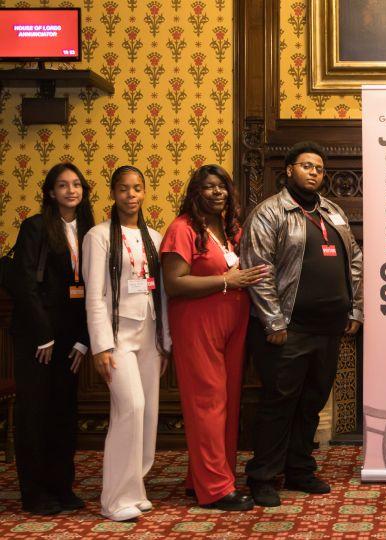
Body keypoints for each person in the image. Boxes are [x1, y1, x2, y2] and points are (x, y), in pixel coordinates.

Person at [241, 141, 363, 507]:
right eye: (306, 166)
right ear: (289, 170)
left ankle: (299, 470)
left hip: (328, 329)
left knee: (311, 403)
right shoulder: (269, 212)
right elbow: (259, 270)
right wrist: (273, 320)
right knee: (279, 403)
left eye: (319, 168)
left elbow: (354, 260)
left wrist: (354, 311)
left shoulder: (333, 213)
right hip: (286, 330)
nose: (314, 172)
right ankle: (263, 476)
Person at [160, 165, 269, 511]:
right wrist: (227, 282)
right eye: (208, 187)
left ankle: (203, 478)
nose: (217, 192)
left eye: (221, 186)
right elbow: (175, 283)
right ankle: (216, 490)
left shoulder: (229, 229)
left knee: (228, 402)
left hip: (234, 322)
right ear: (195, 192)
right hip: (197, 323)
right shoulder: (182, 229)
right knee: (208, 403)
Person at [83, 165, 170, 522]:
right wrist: (101, 346)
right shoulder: (99, 235)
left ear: (145, 192)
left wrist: (165, 342)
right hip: (117, 336)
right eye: (123, 188)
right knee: (130, 408)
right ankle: (114, 499)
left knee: (147, 414)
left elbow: (163, 293)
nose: (130, 195)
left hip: (149, 334)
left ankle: (136, 488)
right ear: (113, 193)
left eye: (136, 188)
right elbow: (94, 295)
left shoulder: (156, 236)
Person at [9, 163, 93, 515]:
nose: (71, 190)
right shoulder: (35, 227)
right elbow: (24, 284)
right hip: (37, 337)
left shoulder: (92, 229)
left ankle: (62, 487)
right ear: (50, 192)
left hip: (72, 337)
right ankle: (34, 493)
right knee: (34, 414)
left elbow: (97, 291)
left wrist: (83, 341)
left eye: (76, 184)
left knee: (64, 412)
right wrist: (42, 335)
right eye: (62, 185)